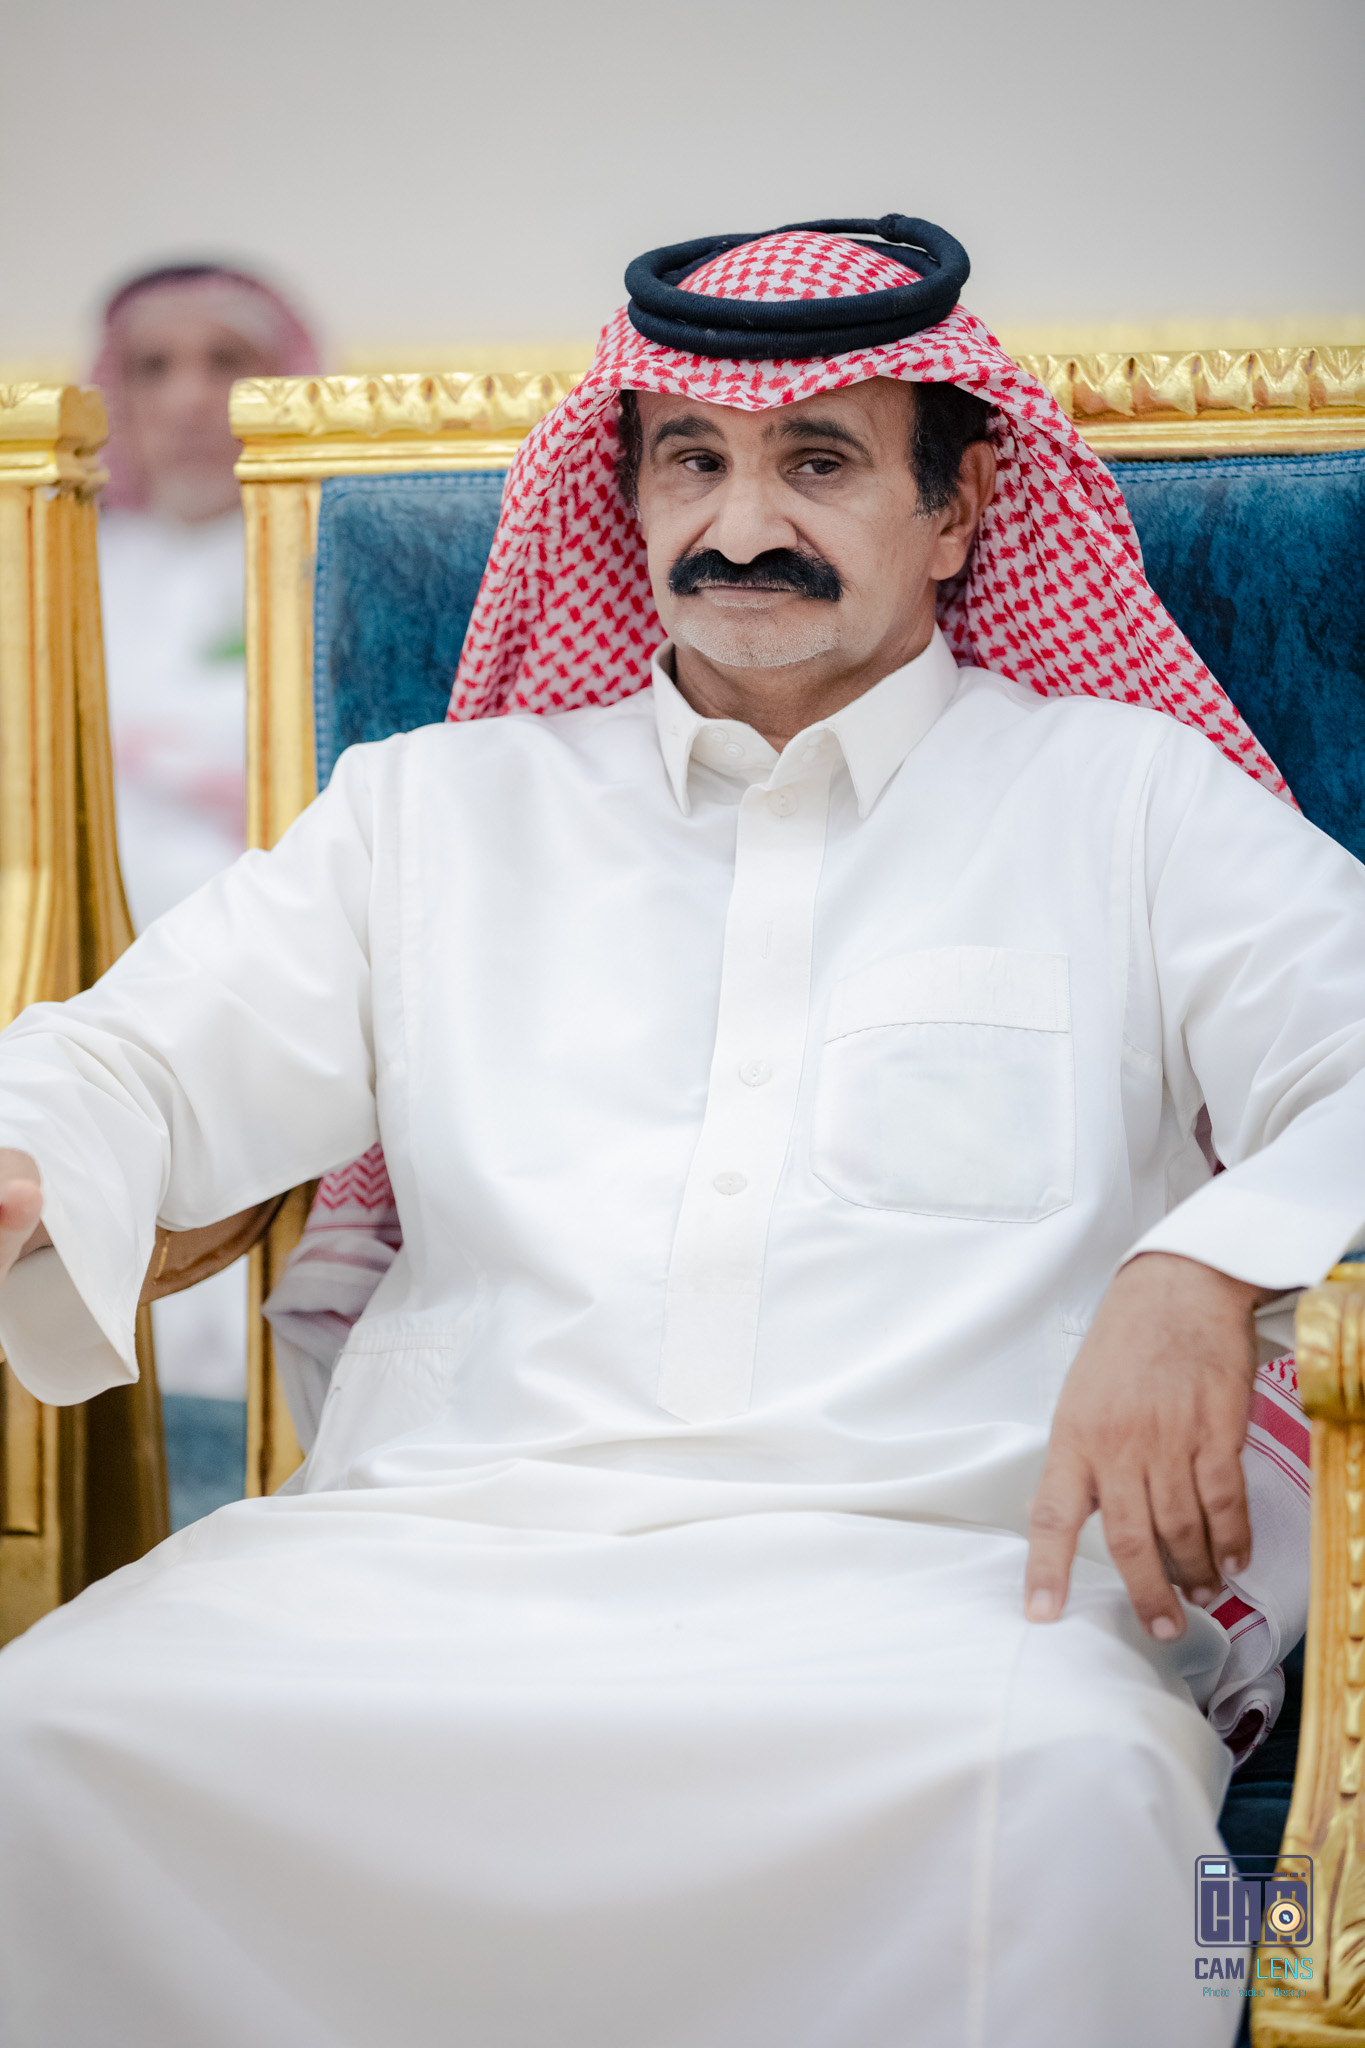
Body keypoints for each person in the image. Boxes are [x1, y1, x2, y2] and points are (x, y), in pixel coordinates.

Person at [0, 214, 1358, 2046]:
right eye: (691, 461)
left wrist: (1205, 1262)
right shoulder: (430, 817)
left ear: (959, 512)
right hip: (428, 1556)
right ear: (626, 496)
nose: (739, 522)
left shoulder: (1125, 803)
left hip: (948, 1590)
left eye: (820, 463)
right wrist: (31, 1150)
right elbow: (133, 1061)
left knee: (1067, 1799)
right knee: (53, 1730)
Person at [92, 262, 319, 1402]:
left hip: (276, 974)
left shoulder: (331, 559)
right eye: (153, 367)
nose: (189, 398)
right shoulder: (61, 563)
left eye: (225, 362)